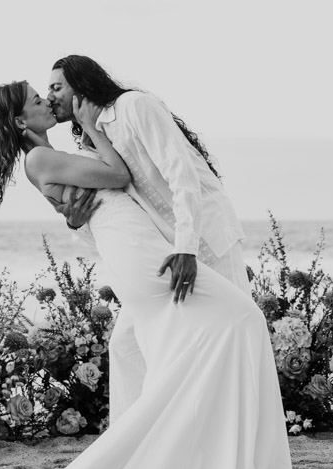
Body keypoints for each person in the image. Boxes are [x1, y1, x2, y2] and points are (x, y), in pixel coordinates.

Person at [0, 80, 292, 469]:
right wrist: (90, 127)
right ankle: (185, 457)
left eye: (48, 93)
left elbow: (93, 206)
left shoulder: (47, 157)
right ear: (22, 121)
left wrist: (76, 204)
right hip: (135, 251)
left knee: (188, 342)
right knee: (241, 316)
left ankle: (187, 456)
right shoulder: (40, 157)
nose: (47, 101)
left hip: (133, 242)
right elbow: (119, 177)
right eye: (36, 99)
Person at [47, 55, 252, 421]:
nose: (50, 96)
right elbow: (116, 223)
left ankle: (243, 449)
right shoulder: (92, 147)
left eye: (56, 86)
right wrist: (78, 224)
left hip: (206, 237)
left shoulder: (134, 107)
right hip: (166, 251)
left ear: (81, 85)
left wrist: (187, 247)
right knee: (126, 345)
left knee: (235, 339)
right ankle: (134, 446)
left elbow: (182, 171)